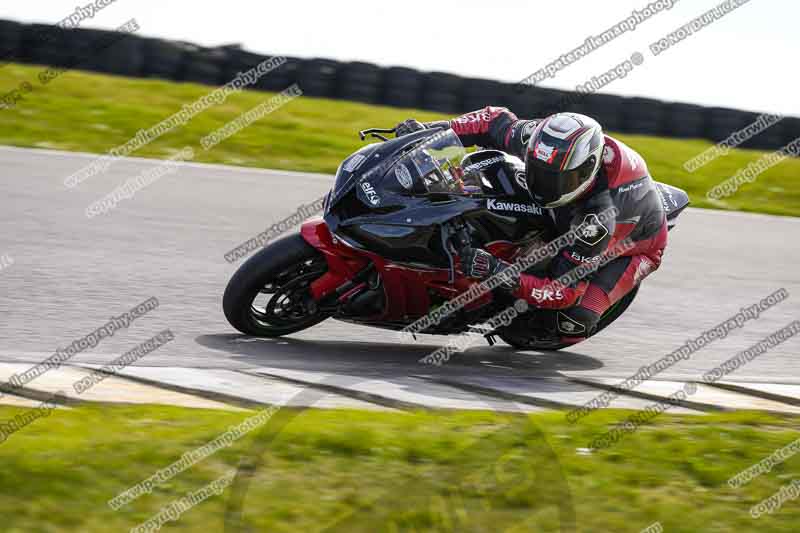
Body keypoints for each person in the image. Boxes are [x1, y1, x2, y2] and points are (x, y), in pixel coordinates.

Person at [395, 108, 667, 344]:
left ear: (586, 171)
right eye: (539, 172)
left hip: (636, 243)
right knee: (485, 176)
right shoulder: (542, 140)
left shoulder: (597, 220)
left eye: (557, 180)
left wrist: (496, 270)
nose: (545, 187)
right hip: (570, 208)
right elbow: (492, 120)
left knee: (575, 320)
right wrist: (430, 131)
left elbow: (564, 291)